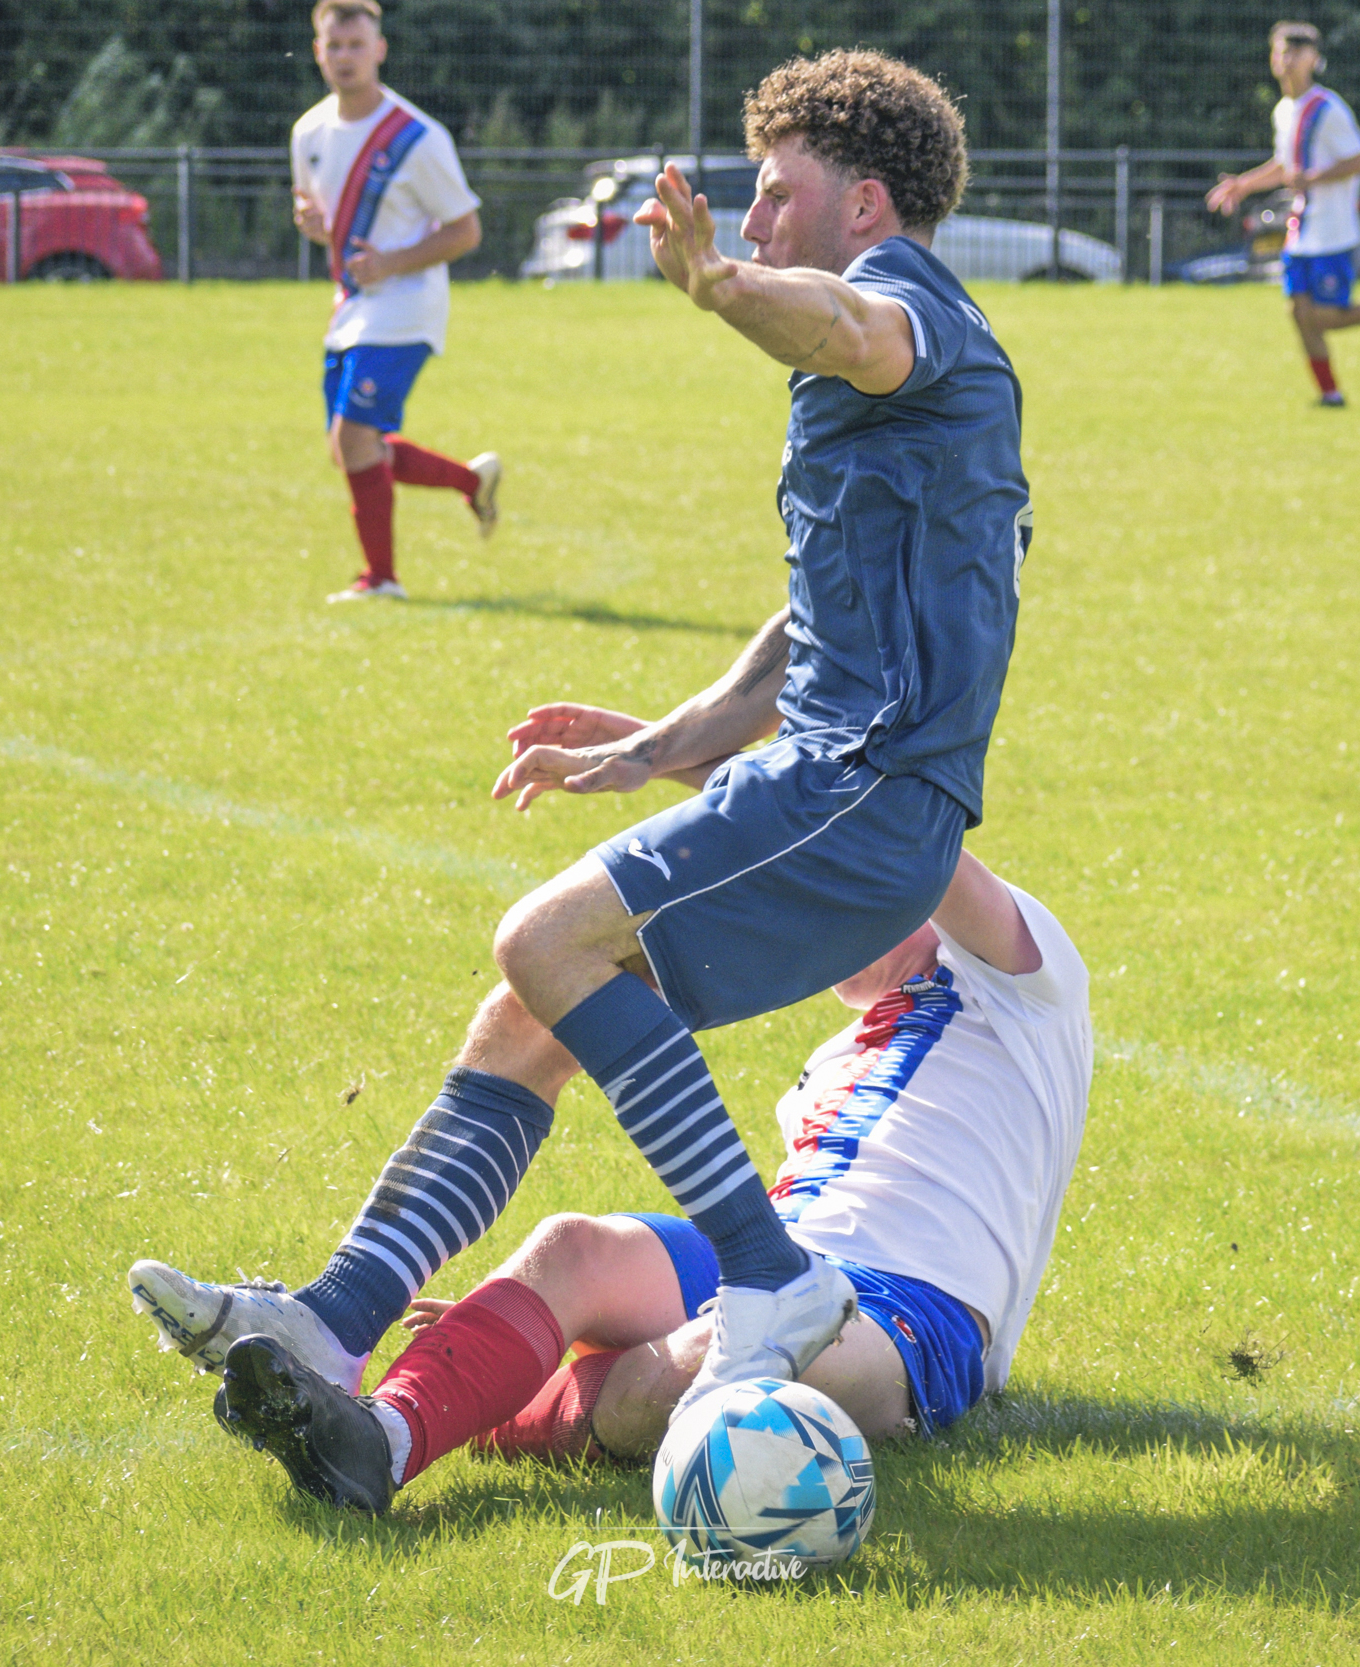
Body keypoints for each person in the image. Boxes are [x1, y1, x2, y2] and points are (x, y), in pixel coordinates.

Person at [131, 48, 1033, 1450]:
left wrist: (726, 294)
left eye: (774, 199)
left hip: (863, 800)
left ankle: (777, 1277)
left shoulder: (906, 310)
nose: (750, 225)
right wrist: (653, 747)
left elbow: (845, 325)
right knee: (530, 1017)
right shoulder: (901, 403)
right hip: (847, 795)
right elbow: (804, 631)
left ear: (864, 204)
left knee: (542, 943)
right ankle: (332, 1330)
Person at [219, 855, 1091, 1513]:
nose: (826, 923)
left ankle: (474, 1404)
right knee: (573, 1248)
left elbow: (908, 832)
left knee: (698, 1383)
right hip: (776, 1260)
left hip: (908, 1313)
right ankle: (379, 1429)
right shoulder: (830, 1062)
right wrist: (658, 751)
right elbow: (804, 811)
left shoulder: (1018, 980)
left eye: (849, 897)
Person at [290, 0, 499, 601]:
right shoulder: (307, 132)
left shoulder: (417, 138)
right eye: (335, 45)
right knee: (351, 448)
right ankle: (471, 481)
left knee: (354, 438)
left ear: (379, 50)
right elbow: (321, 223)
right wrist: (311, 226)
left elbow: (466, 231)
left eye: (357, 45)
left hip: (407, 306)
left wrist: (390, 263)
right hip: (351, 306)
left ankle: (381, 580)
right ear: (318, 51)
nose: (346, 57)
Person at [1205, 20, 1360, 408]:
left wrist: (1313, 178)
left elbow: (1359, 160)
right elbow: (1286, 165)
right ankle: (1330, 395)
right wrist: (1243, 184)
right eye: (1282, 50)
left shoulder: (1327, 108)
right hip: (1302, 229)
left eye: (1297, 51)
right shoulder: (1284, 110)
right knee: (1299, 314)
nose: (1288, 59)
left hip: (1332, 230)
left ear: (1314, 59)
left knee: (1328, 316)